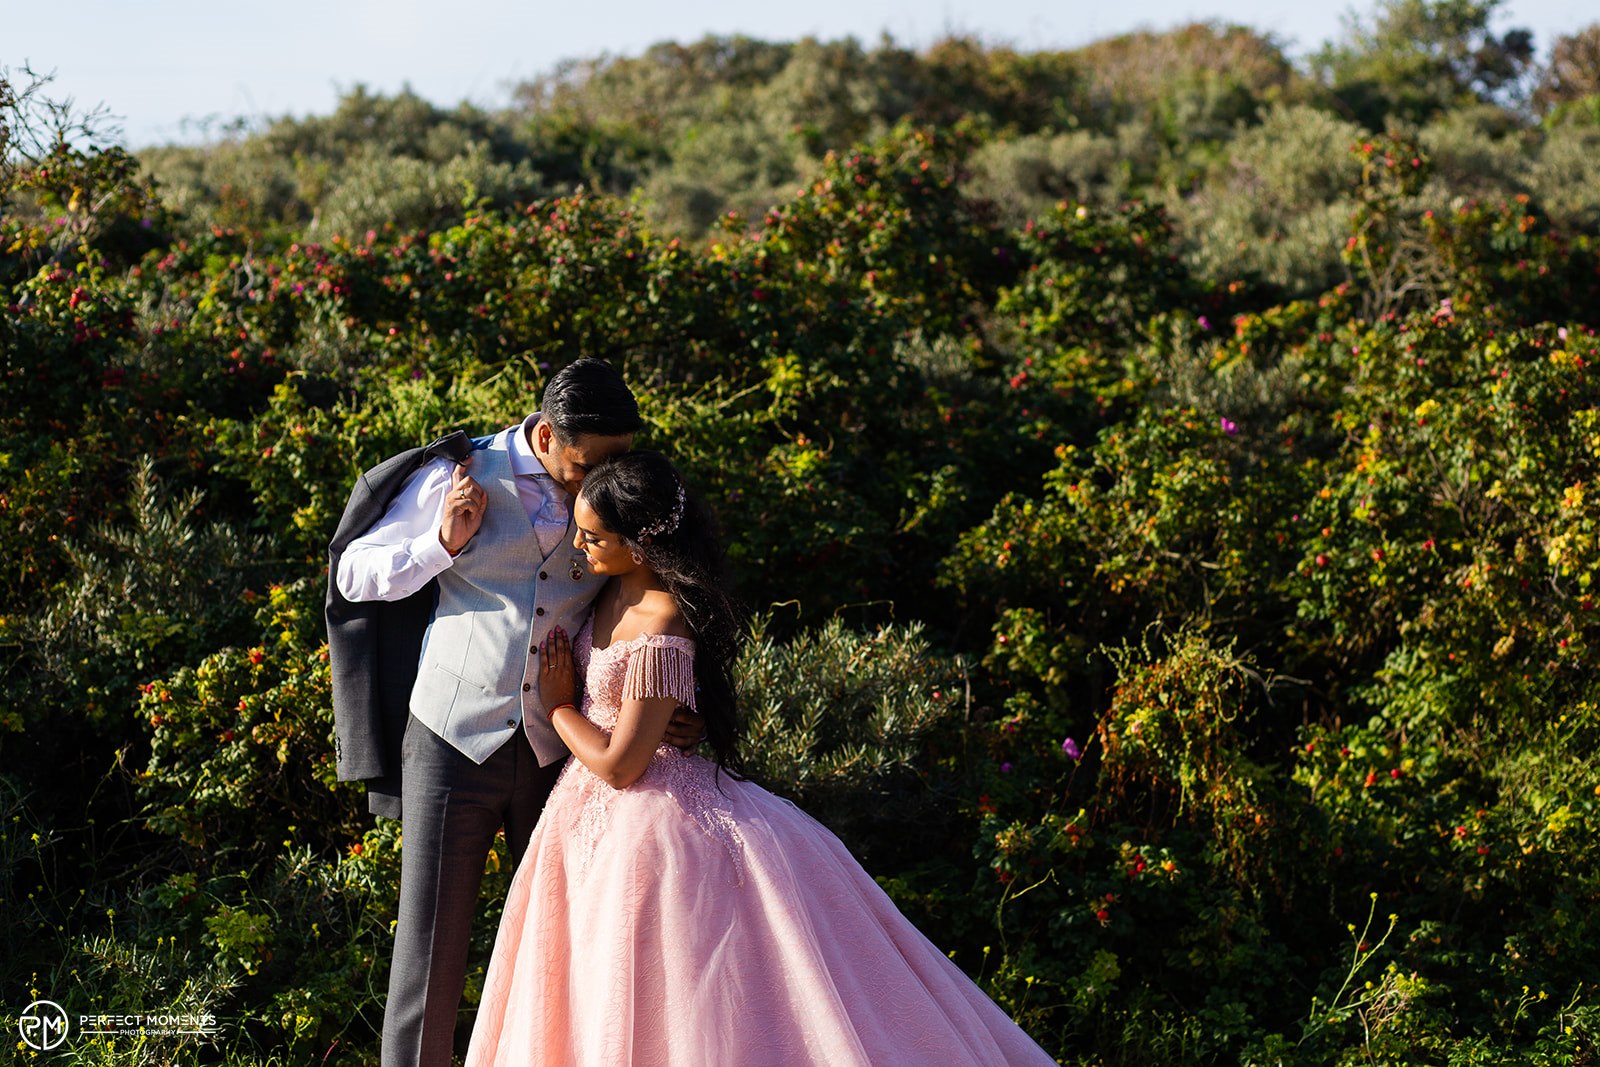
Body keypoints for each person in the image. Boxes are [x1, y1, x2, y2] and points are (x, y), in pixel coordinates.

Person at [464, 450, 1058, 1066]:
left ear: (639, 545)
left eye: (593, 537)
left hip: (652, 823)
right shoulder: (603, 590)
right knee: (587, 981)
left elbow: (621, 767)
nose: (580, 547)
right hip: (582, 821)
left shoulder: (664, 621)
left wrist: (562, 710)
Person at [332, 359, 701, 1067]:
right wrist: (439, 543)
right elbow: (354, 572)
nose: (603, 479)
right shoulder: (460, 473)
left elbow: (656, 608)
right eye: (588, 462)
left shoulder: (616, 495)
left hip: (559, 757)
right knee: (430, 954)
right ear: (547, 434)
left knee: (565, 941)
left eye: (618, 459)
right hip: (451, 738)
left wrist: (679, 710)